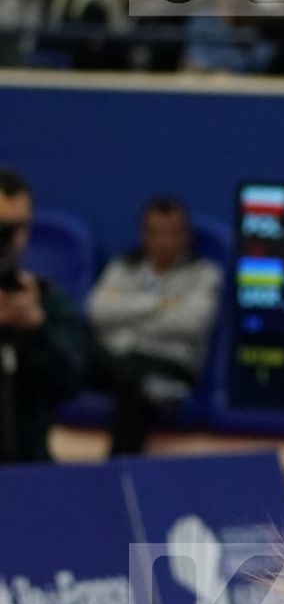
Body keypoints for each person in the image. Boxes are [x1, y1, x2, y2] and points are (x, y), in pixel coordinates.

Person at [86, 197, 222, 458]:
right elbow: (98, 311)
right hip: (115, 361)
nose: (164, 241)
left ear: (186, 236)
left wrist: (127, 313)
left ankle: (116, 473)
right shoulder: (122, 267)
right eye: (156, 233)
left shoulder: (204, 273)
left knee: (134, 390)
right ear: (143, 235)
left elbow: (190, 323)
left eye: (173, 233)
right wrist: (163, 304)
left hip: (167, 364)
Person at [0, 168, 88, 465]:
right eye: (1, 228)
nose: (10, 240)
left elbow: (72, 382)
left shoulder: (46, 300)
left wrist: (36, 330)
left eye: (19, 227)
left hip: (29, 467)